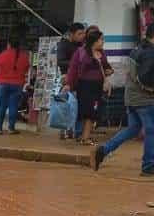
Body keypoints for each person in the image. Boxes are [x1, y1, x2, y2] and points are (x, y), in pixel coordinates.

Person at [93, 24, 154, 176]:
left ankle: (104, 150)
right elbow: (145, 78)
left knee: (132, 128)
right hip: (144, 99)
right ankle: (148, 166)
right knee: (151, 130)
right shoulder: (150, 53)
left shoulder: (138, 48)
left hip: (131, 97)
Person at [68, 29, 111, 146]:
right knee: (87, 112)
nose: (103, 42)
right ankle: (83, 137)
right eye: (101, 39)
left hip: (97, 86)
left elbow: (107, 67)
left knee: (92, 112)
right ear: (94, 41)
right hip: (84, 86)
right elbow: (73, 69)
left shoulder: (102, 54)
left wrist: (109, 71)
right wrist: (69, 84)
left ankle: (84, 136)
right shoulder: (81, 52)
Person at [0, 32, 30, 134]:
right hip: (17, 84)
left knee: (1, 105)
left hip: (2, 83)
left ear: (9, 44)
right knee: (13, 106)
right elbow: (26, 69)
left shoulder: (2, 55)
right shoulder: (24, 56)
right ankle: (11, 128)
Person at [57, 22, 86, 140]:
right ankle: (64, 130)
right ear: (71, 34)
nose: (82, 36)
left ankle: (75, 131)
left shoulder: (82, 46)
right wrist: (76, 64)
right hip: (67, 79)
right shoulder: (63, 45)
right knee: (66, 106)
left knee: (77, 106)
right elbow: (60, 61)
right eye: (79, 34)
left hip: (80, 80)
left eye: (83, 33)